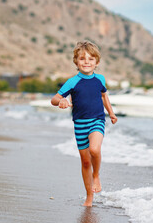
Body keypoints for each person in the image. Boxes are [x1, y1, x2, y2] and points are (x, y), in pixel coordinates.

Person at [51, 41, 118, 207]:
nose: (87, 62)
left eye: (91, 58)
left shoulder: (100, 79)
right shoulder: (72, 82)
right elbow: (54, 99)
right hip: (80, 124)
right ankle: (89, 196)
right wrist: (62, 101)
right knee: (85, 161)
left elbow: (104, 96)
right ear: (76, 62)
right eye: (82, 58)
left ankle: (96, 176)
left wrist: (111, 113)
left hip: (97, 120)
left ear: (97, 62)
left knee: (95, 149)